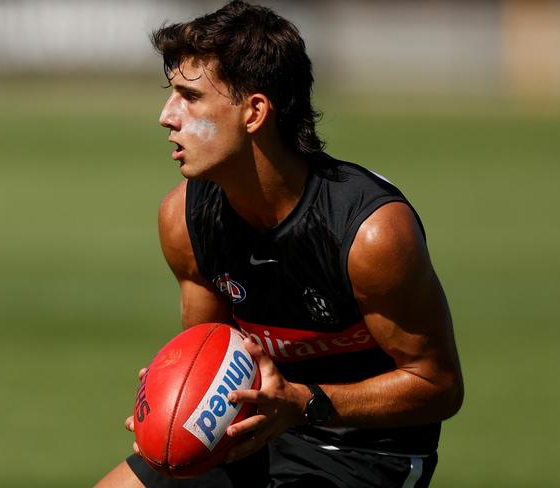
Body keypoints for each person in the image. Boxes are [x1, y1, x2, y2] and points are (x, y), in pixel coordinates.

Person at [96, 1, 463, 486]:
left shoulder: (370, 234)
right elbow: (212, 351)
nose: (167, 116)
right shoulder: (183, 220)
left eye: (190, 96)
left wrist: (302, 403)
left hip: (361, 453)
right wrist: (175, 404)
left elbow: (437, 385)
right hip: (252, 433)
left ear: (254, 112)